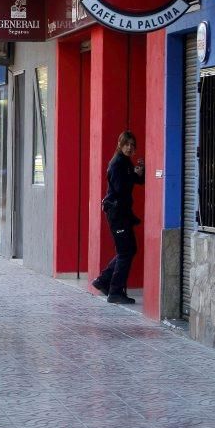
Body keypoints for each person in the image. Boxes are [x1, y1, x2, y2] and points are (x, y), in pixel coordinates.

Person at [92, 130, 145, 305]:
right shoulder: (117, 164)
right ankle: (115, 292)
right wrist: (133, 175)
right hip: (117, 214)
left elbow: (136, 181)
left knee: (128, 250)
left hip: (122, 214)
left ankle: (103, 281)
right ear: (120, 145)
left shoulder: (125, 163)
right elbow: (121, 188)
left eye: (132, 144)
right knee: (126, 251)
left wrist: (139, 173)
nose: (130, 147)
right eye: (126, 144)